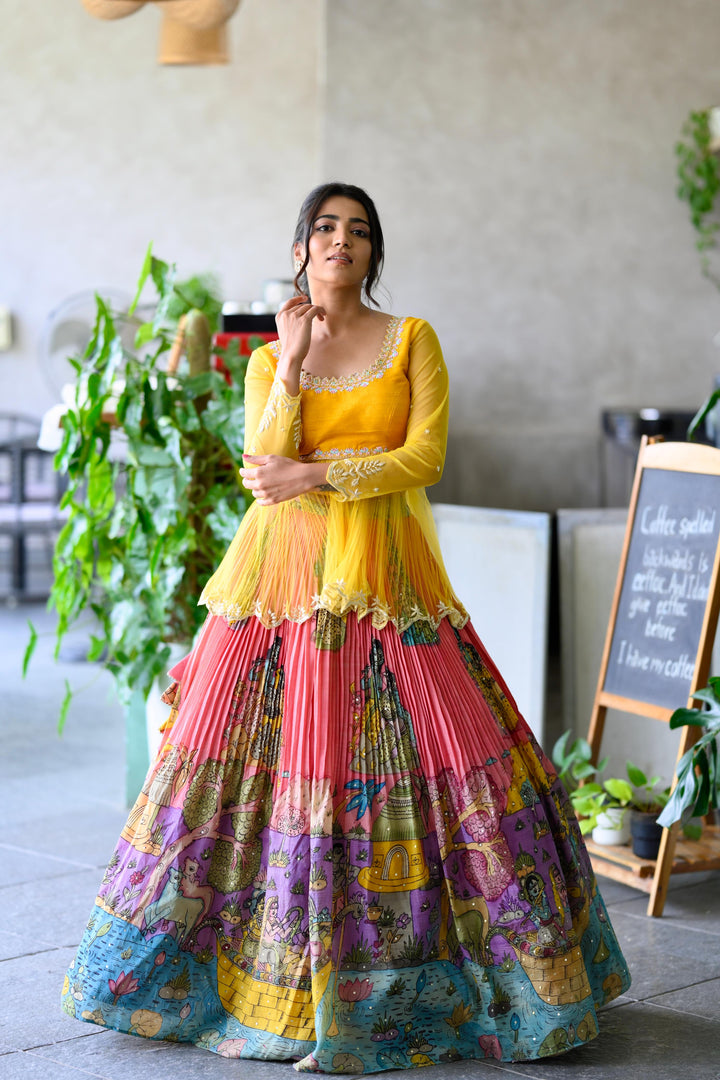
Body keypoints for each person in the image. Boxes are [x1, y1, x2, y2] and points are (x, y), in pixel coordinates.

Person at [62, 182, 630, 1072]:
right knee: (242, 761)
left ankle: (481, 979)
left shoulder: (412, 339)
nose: (342, 241)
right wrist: (289, 361)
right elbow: (262, 467)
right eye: (325, 228)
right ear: (300, 250)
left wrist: (317, 474)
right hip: (282, 585)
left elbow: (423, 456)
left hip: (387, 577)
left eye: (359, 231)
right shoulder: (266, 358)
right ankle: (240, 981)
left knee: (448, 745)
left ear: (373, 253)